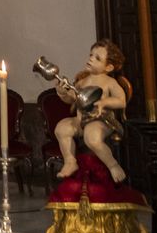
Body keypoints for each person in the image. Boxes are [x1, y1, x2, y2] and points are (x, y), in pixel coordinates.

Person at [54, 39, 130, 183]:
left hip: (100, 120)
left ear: (108, 67)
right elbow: (72, 99)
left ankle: (113, 165)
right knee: (61, 128)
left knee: (92, 137)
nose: (91, 59)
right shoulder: (82, 81)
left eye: (97, 58)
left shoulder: (109, 82)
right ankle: (70, 161)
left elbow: (121, 100)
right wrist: (63, 93)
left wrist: (104, 101)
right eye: (91, 55)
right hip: (80, 120)